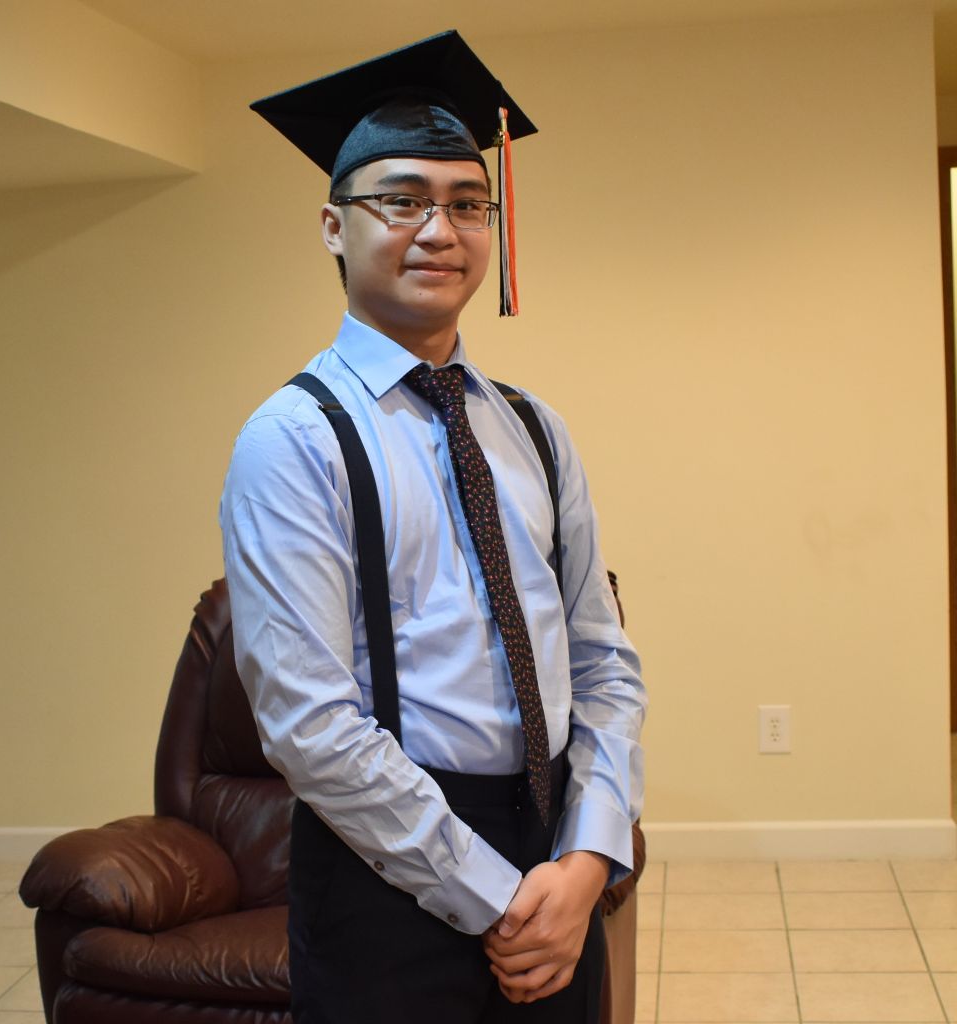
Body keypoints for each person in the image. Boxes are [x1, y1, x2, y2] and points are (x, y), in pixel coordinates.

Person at [220, 30, 646, 1024]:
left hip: (553, 857)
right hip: (387, 876)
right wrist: (498, 898)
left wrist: (584, 857)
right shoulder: (293, 440)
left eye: (466, 202)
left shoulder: (534, 428)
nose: (439, 229)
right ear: (333, 225)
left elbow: (602, 663)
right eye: (400, 200)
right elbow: (308, 723)